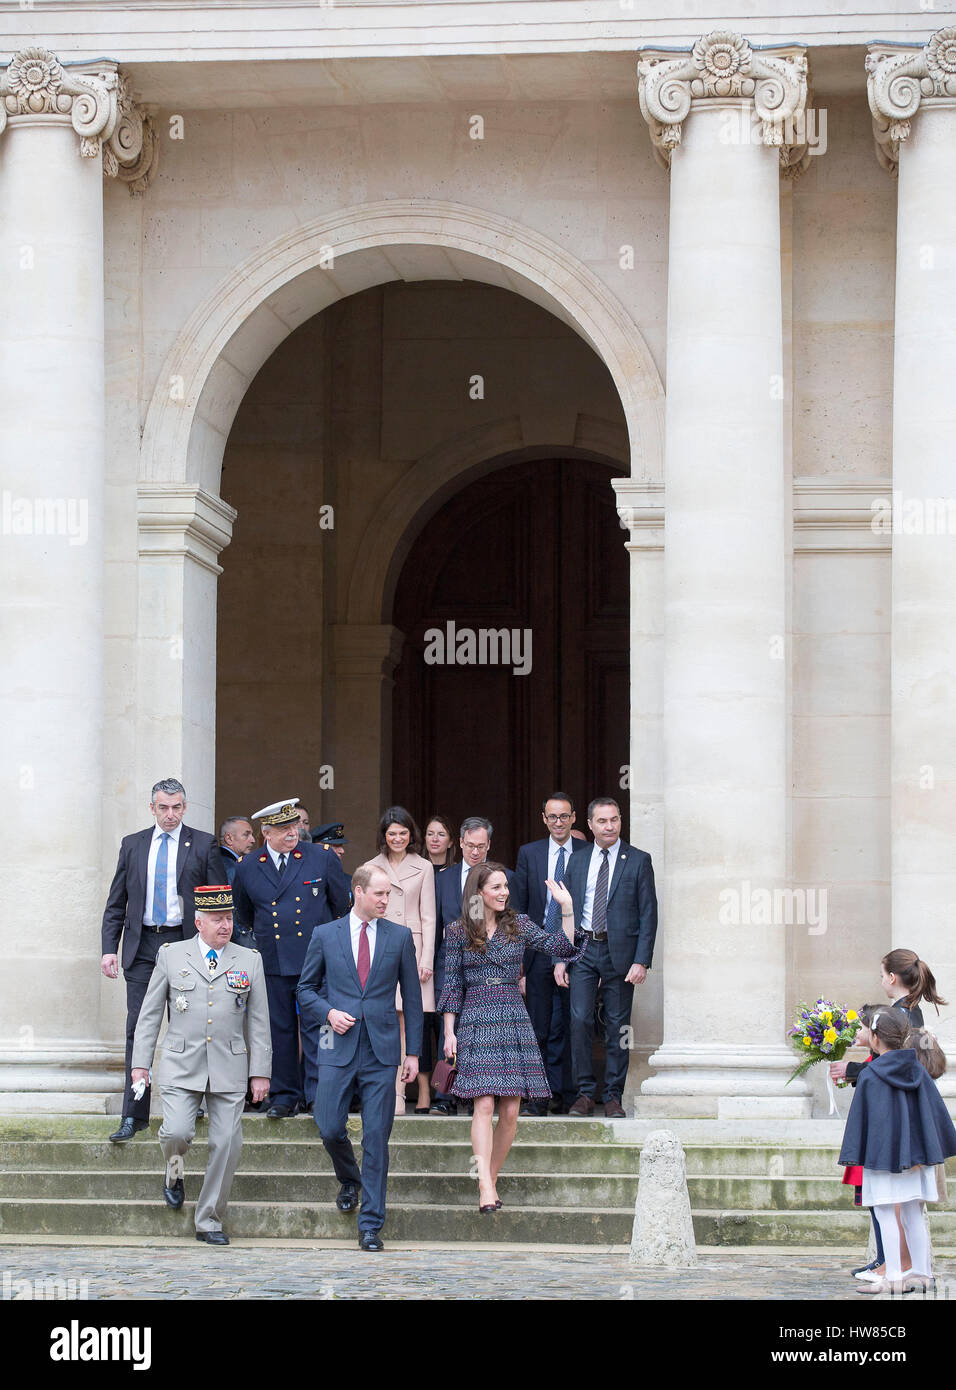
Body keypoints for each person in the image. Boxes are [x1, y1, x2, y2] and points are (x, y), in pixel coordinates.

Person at [130, 884, 271, 1246]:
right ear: (198, 922)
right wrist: (140, 1065)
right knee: (177, 1132)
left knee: (227, 1144)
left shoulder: (249, 959)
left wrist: (261, 1072)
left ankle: (209, 1219)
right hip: (181, 1061)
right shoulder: (171, 955)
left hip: (230, 1064)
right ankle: (174, 1170)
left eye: (228, 918)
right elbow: (149, 1016)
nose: (225, 926)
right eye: (216, 919)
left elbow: (259, 1022)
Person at [438, 862, 582, 1212]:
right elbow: (452, 983)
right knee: (484, 1104)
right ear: (479, 893)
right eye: (496, 887)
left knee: (512, 1110)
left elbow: (562, 947)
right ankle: (485, 1187)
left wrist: (567, 909)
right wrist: (448, 1032)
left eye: (505, 886)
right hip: (475, 1016)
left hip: (512, 1014)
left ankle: (491, 1176)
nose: (504, 893)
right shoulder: (458, 931)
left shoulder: (518, 925)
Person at [297, 864, 423, 1251]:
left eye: (389, 895)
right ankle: (349, 1178)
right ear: (358, 892)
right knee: (329, 1126)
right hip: (336, 1044)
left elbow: (414, 1000)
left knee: (376, 1137)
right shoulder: (325, 934)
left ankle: (371, 1225)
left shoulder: (399, 937)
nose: (387, 901)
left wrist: (414, 1053)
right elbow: (305, 989)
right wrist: (328, 1012)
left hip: (382, 1049)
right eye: (380, 894)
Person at [101, 778, 226, 1143]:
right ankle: (134, 1114)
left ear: (184, 808)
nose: (170, 815)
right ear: (152, 807)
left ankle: (193, 1104)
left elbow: (218, 900)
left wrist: (216, 948)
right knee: (137, 1029)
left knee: (191, 1028)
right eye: (163, 808)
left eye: (176, 808)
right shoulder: (133, 845)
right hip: (142, 946)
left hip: (185, 943)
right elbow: (116, 902)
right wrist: (110, 947)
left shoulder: (203, 844)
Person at [232, 798, 351, 1118]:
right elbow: (244, 912)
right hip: (274, 957)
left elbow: (340, 905)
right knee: (280, 1028)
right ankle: (285, 1095)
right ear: (265, 833)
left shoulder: (320, 857)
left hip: (315, 958)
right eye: (283, 829)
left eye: (294, 826)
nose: (292, 833)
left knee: (319, 1027)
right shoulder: (248, 865)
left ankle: (317, 1094)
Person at [838, 1008, 956, 1295]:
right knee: (912, 1211)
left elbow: (864, 1120)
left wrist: (859, 1153)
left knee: (885, 1211)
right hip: (918, 1158)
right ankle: (922, 1273)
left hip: (884, 1158)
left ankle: (893, 1277)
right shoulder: (918, 1069)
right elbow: (934, 1114)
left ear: (875, 1039)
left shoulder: (871, 1075)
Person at [561, 797, 658, 1119]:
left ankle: (613, 1096)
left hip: (621, 953)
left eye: (614, 820)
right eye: (602, 821)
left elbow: (648, 914)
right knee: (579, 1020)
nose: (609, 826)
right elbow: (563, 910)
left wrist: (641, 960)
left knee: (618, 1027)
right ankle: (585, 1094)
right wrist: (559, 957)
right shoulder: (576, 861)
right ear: (589, 825)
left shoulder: (638, 860)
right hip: (583, 949)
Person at [511, 793, 589, 1116]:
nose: (558, 822)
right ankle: (538, 1097)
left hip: (576, 950)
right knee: (539, 1028)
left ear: (573, 818)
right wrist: (519, 965)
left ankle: (571, 1096)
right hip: (538, 949)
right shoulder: (529, 853)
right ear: (544, 819)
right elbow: (518, 907)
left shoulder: (587, 852)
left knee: (575, 1024)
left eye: (564, 817)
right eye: (552, 817)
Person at [369, 807, 436, 1114]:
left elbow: (429, 916)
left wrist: (427, 958)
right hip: (381, 950)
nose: (397, 838)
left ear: (412, 835)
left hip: (413, 947)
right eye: (392, 833)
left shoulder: (423, 866)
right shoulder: (370, 867)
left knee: (410, 1021)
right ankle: (391, 1093)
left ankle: (408, 1091)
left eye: (403, 833)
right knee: (387, 1021)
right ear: (384, 836)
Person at [431, 816, 495, 1116]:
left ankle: (473, 1095)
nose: (475, 852)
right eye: (470, 845)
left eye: (481, 846)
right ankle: (444, 1098)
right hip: (448, 965)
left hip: (485, 970)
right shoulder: (443, 878)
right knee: (448, 1031)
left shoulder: (499, 880)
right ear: (460, 843)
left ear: (489, 845)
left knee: (479, 1033)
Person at [830, 949, 947, 1088]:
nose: (882, 982)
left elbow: (892, 1063)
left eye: (882, 976)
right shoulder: (911, 1010)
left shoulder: (898, 1015)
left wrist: (850, 1070)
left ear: (892, 978)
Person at [219, 816, 255, 887]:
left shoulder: (217, 860)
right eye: (246, 835)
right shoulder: (230, 868)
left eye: (251, 835)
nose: (253, 840)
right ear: (229, 839)